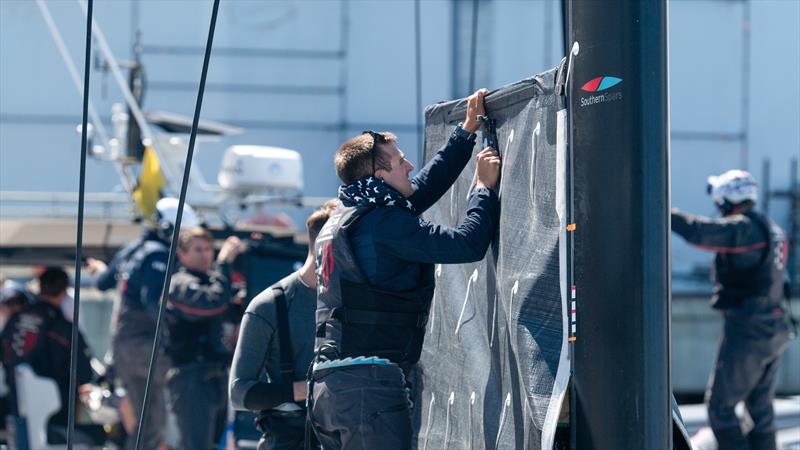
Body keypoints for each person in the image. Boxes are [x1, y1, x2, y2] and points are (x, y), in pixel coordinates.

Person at [308, 88, 501, 449]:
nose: (410, 165)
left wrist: (465, 133)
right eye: (400, 161)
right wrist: (483, 190)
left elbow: (418, 191)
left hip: (329, 388)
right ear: (380, 174)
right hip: (369, 388)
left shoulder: (347, 216)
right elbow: (467, 245)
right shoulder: (383, 223)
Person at [671, 169, 793, 450]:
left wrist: (664, 211)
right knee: (760, 410)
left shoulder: (745, 229)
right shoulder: (769, 227)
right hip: (772, 329)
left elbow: (700, 232)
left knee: (720, 409)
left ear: (726, 200)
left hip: (749, 329)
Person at [229, 201, 337, 450]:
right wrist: (308, 390)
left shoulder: (357, 300)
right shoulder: (269, 305)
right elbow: (240, 393)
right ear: (327, 246)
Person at [112, 197, 199, 450]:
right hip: (146, 347)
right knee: (195, 379)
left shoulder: (131, 250)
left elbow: (104, 281)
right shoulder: (160, 256)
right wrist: (179, 331)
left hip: (124, 347)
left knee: (146, 426)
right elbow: (153, 303)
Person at [163, 228, 246, 449]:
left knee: (216, 444)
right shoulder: (179, 283)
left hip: (218, 376)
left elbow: (233, 310)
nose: (205, 254)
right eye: (198, 249)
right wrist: (224, 263)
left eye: (209, 249)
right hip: (191, 378)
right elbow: (212, 304)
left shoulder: (215, 281)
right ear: (182, 254)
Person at [0, 267, 99, 442]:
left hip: (16, 410)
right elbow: (83, 372)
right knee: (99, 435)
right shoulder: (62, 327)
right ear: (63, 292)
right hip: (54, 421)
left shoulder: (14, 320)